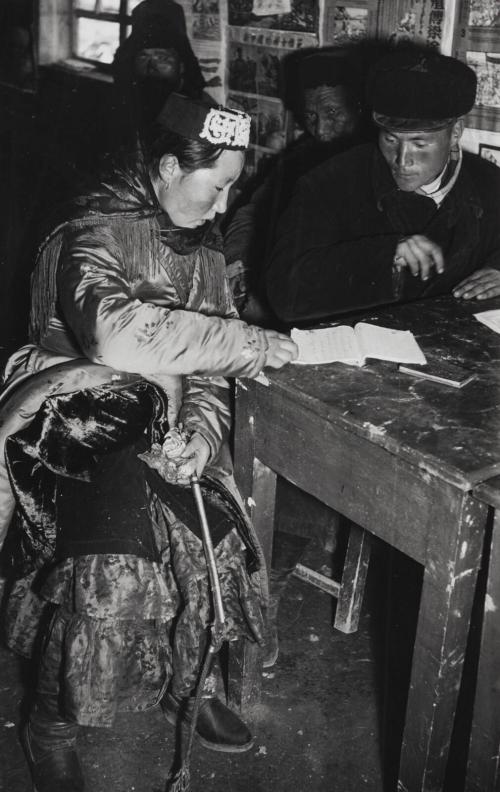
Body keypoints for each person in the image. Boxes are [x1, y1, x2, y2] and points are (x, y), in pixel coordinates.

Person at [0, 93, 297, 792]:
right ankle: (51, 721)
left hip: (160, 418)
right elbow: (119, 338)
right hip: (70, 415)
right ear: (168, 168)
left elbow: (209, 373)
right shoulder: (92, 231)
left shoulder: (202, 250)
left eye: (231, 189)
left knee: (212, 538)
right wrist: (249, 341)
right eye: (216, 186)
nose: (223, 206)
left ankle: (187, 690)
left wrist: (197, 429)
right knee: (108, 554)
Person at [266, 47, 500, 325]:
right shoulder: (328, 182)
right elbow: (285, 294)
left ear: (455, 133)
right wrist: (384, 255)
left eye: (419, 144)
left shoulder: (489, 182)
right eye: (390, 140)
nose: (402, 160)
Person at [224, 48, 368, 327]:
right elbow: (250, 214)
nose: (322, 130)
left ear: (359, 107)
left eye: (333, 113)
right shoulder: (302, 157)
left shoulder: (382, 165)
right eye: (311, 116)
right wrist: (238, 265)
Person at [112, 0, 205, 149]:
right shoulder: (127, 103)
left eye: (162, 58)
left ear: (181, 66)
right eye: (143, 57)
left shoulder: (196, 113)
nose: (151, 67)